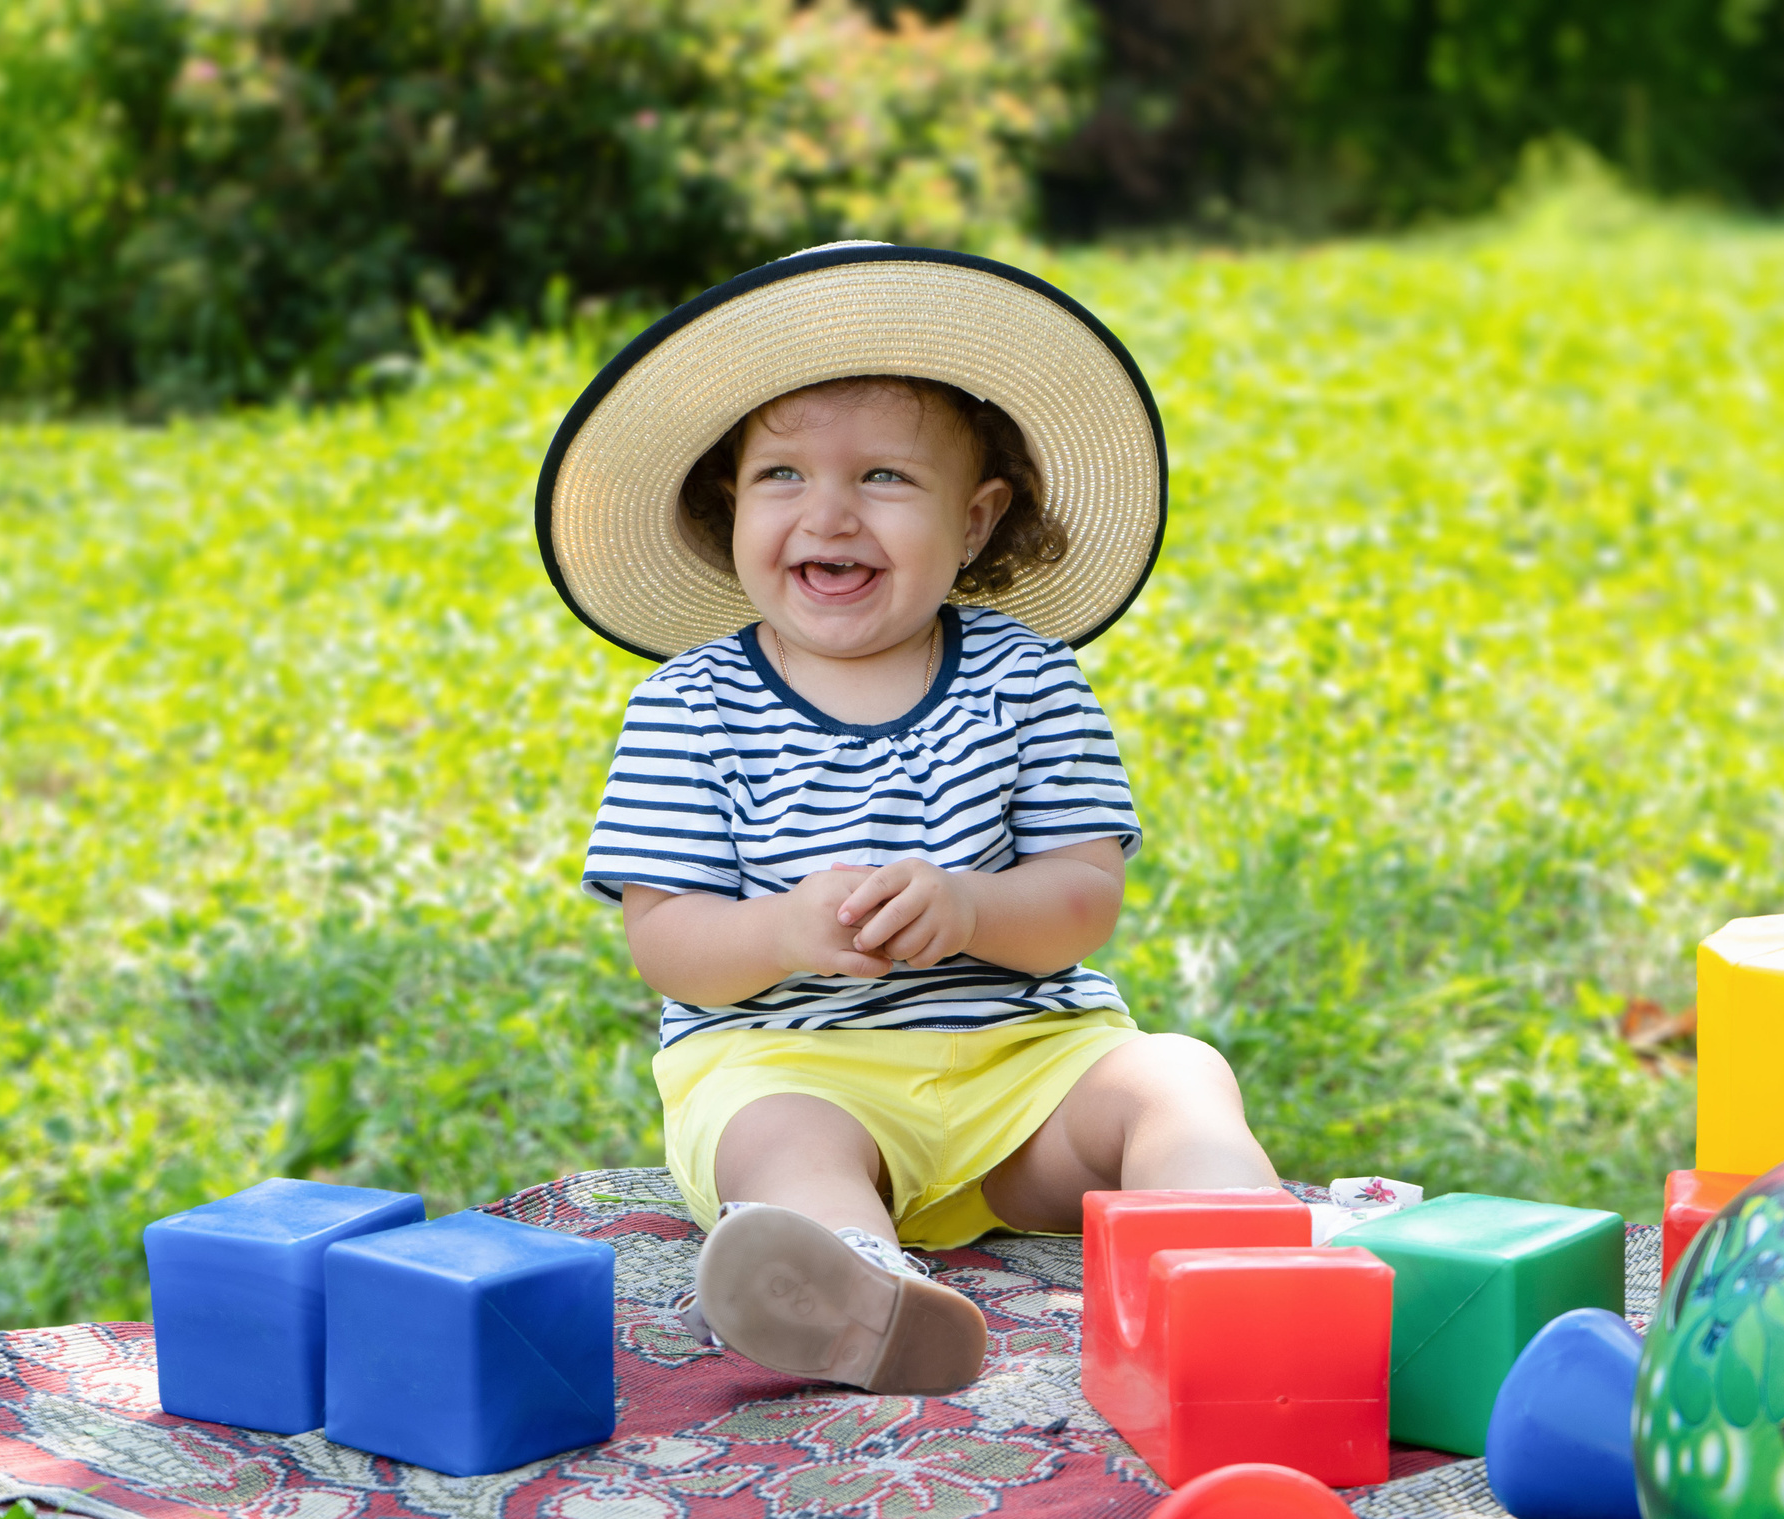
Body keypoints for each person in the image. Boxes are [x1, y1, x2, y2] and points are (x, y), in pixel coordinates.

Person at [535, 244, 1278, 1397]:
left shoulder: (1027, 678)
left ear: (975, 520)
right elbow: (666, 937)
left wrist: (972, 907)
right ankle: (857, 1286)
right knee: (783, 1143)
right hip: (792, 1058)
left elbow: (1083, 898)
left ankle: (1240, 1261)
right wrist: (780, 931)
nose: (828, 512)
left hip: (1022, 1066)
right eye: (782, 474)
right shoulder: (689, 703)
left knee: (1173, 1074)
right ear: (730, 505)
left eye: (883, 476)